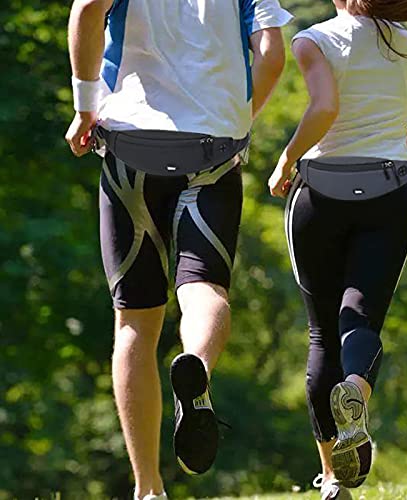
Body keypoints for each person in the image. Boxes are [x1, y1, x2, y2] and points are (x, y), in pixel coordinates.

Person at [65, 0, 292, 498]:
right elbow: (272, 51)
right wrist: (241, 114)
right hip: (212, 150)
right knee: (203, 289)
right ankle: (197, 367)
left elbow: (85, 10)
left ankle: (148, 489)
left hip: (130, 146)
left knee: (134, 321)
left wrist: (85, 107)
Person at [268, 0, 407, 498]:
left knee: (322, 333)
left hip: (320, 194)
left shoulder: (314, 40)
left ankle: (332, 482)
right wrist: (385, 127)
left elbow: (325, 109)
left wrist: (286, 159)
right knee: (359, 319)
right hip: (389, 193)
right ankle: (356, 393)